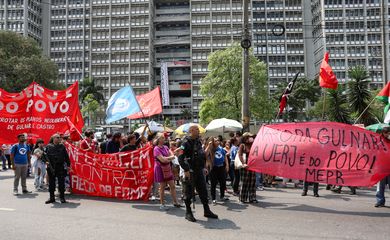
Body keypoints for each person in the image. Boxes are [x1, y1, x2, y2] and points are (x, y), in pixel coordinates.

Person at [179, 125, 218, 222]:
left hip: (199, 170)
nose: (198, 131)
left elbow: (201, 154)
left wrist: (204, 166)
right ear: (191, 131)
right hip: (190, 171)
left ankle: (207, 210)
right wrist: (186, 170)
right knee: (188, 193)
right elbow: (180, 157)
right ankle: (188, 212)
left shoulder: (198, 141)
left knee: (203, 191)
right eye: (197, 129)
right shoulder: (185, 142)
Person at [153, 133, 182, 210]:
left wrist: (167, 158)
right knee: (162, 187)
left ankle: (175, 202)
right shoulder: (156, 148)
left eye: (164, 138)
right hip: (160, 169)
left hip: (167, 168)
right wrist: (169, 158)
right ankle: (162, 204)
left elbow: (171, 156)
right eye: (162, 138)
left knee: (172, 186)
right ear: (158, 139)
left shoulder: (165, 147)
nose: (164, 139)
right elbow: (163, 159)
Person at [45, 134, 70, 204]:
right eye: (57, 137)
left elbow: (66, 156)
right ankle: (52, 197)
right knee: (51, 183)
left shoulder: (62, 146)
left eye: (60, 138)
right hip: (51, 167)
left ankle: (62, 197)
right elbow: (44, 156)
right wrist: (46, 162)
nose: (59, 139)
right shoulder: (48, 146)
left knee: (61, 183)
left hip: (60, 166)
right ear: (53, 138)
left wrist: (68, 165)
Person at [237, 132, 258, 203]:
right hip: (245, 167)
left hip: (253, 166)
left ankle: (252, 198)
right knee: (244, 183)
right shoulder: (242, 145)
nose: (251, 138)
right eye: (249, 136)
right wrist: (243, 163)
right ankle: (242, 198)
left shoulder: (253, 145)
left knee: (252, 182)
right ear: (246, 138)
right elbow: (240, 155)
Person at [208, 137, 229, 205]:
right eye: (216, 141)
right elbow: (207, 155)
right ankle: (213, 199)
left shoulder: (221, 148)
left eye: (218, 140)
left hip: (221, 167)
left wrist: (227, 165)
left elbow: (225, 156)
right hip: (214, 168)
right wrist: (209, 146)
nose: (218, 142)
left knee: (223, 182)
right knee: (213, 184)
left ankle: (222, 196)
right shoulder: (211, 149)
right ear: (213, 142)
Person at [375, 127, 390, 207]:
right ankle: (380, 201)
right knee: (381, 185)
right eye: (387, 133)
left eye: (389, 133)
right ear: (383, 133)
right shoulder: (379, 141)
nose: (388, 134)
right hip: (381, 166)